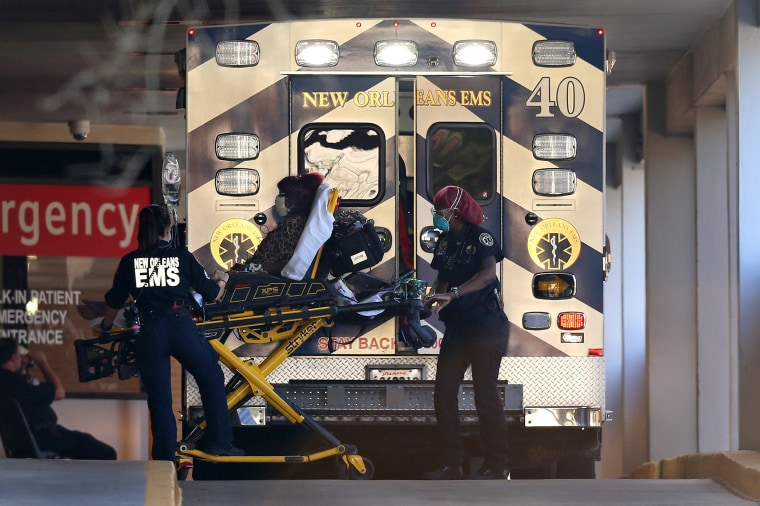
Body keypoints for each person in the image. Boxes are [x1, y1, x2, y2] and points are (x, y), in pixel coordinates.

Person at [99, 203, 243, 461]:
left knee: (160, 399)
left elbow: (114, 301)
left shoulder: (130, 261)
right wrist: (221, 278)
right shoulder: (182, 257)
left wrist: (105, 327)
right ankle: (219, 443)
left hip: (150, 332)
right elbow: (212, 294)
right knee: (211, 379)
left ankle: (164, 458)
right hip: (180, 328)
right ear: (168, 229)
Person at [422, 185, 510, 480]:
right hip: (459, 328)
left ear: (455, 211)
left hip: (486, 326)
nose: (437, 215)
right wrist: (433, 297)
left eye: (440, 210)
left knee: (485, 395)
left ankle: (496, 465)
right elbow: (442, 278)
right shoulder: (445, 242)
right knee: (444, 393)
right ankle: (451, 465)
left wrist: (454, 294)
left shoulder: (481, 238)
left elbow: (488, 275)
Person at [0, 338, 117, 460]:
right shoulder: (20, 383)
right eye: (20, 355)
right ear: (14, 358)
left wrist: (22, 369)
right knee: (107, 453)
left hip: (22, 444)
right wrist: (42, 362)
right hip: (47, 438)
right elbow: (59, 392)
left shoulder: (7, 382)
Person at [243, 172, 324, 274]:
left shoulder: (292, 226)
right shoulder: (291, 223)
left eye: (282, 195)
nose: (278, 198)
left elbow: (288, 265)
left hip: (262, 278)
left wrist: (250, 269)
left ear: (293, 202)